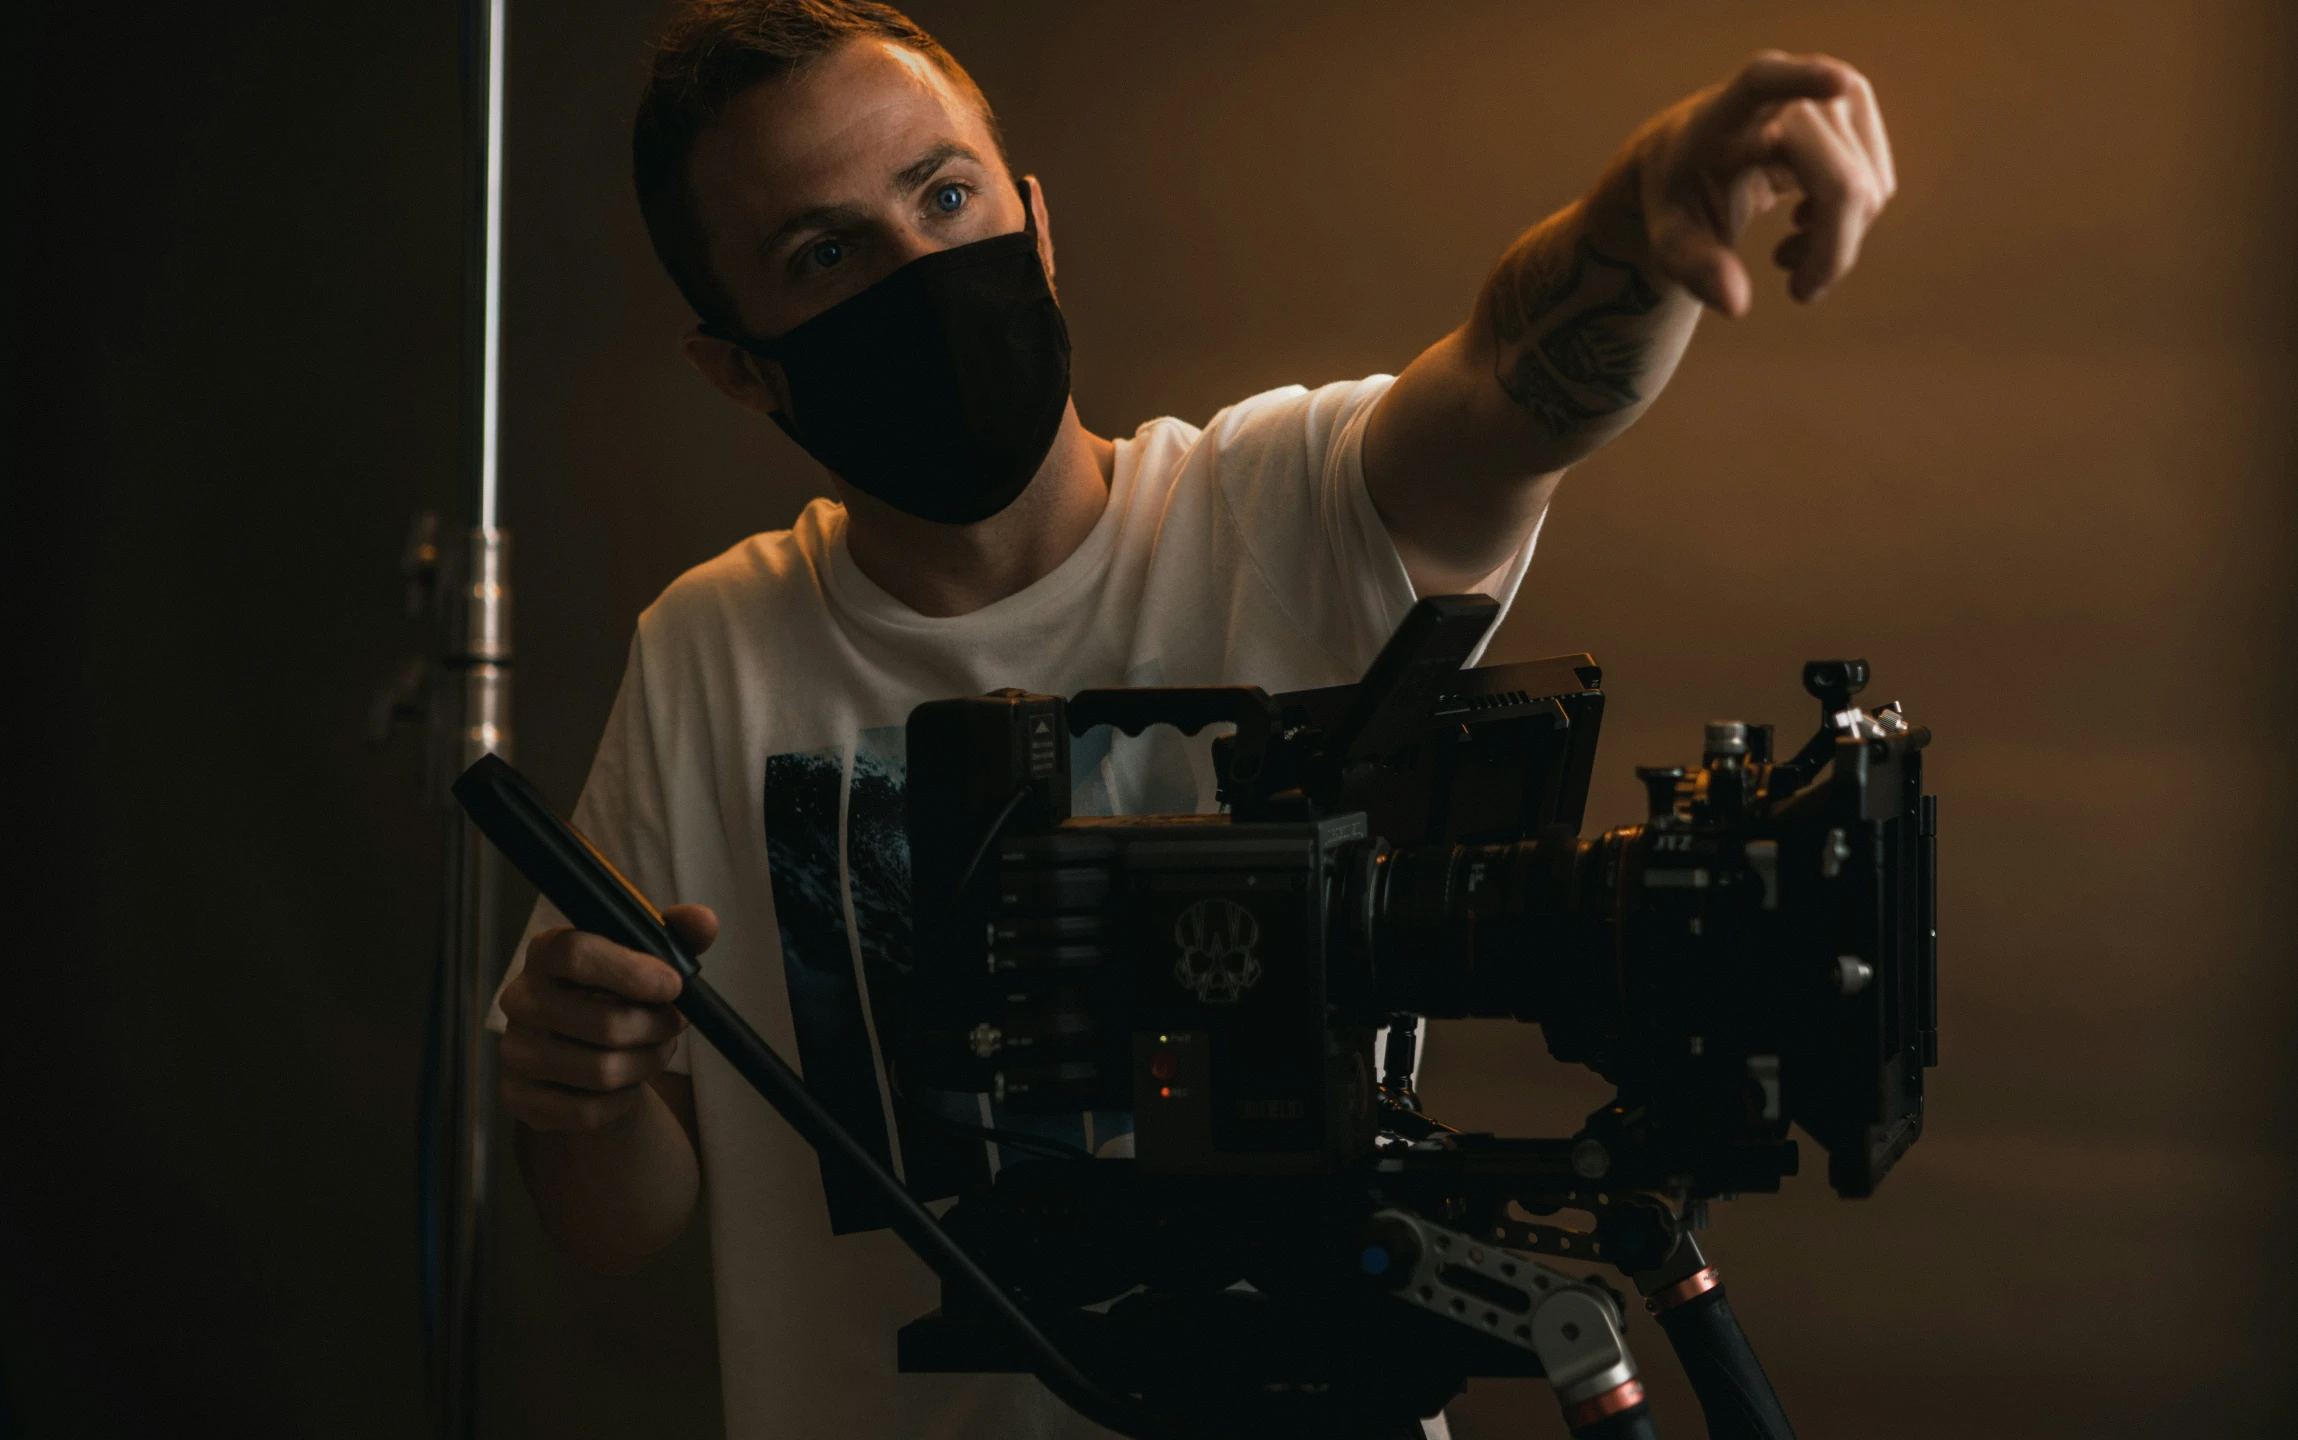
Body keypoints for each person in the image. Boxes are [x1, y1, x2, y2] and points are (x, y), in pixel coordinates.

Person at [487, 2, 1896, 1435]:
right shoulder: (710, 652)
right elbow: (616, 1221)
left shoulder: (1282, 504)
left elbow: (1510, 389)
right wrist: (576, 1096)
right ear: (740, 365)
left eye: (945, 193)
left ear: (1035, 224)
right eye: (827, 253)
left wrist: (1639, 224)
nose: (922, 267)